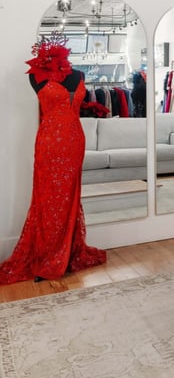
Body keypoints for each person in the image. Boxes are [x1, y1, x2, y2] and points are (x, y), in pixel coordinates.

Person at [0, 33, 106, 284]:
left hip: (75, 141)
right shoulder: (36, 76)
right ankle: (47, 255)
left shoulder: (79, 75)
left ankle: (67, 252)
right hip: (50, 142)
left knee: (70, 196)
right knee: (48, 198)